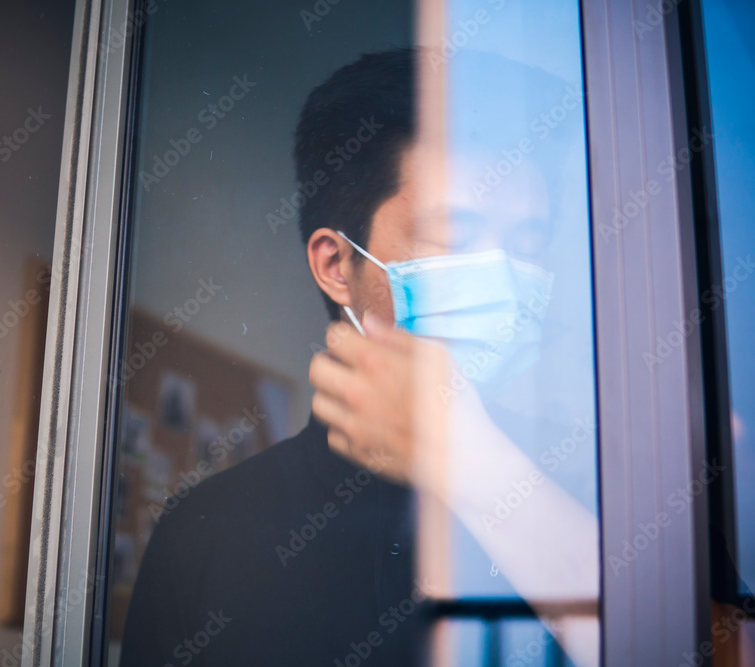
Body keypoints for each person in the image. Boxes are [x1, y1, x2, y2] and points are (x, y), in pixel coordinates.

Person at [120, 48, 600, 667]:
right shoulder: (209, 534)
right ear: (335, 266)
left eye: (528, 245)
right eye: (453, 235)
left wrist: (478, 465)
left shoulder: (611, 495)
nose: (504, 277)